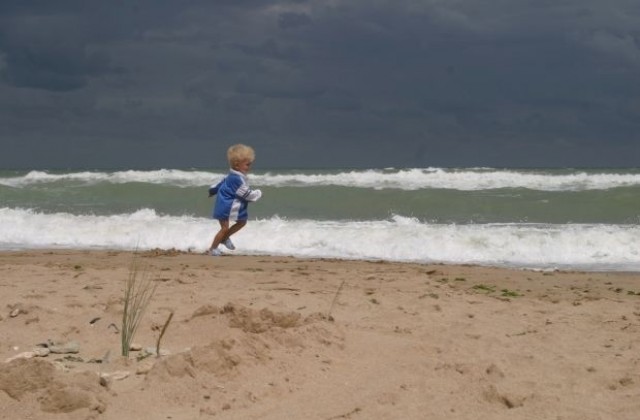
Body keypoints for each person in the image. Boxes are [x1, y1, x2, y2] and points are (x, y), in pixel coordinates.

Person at [207, 144, 262, 256]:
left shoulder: (232, 176)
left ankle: (225, 238)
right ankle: (213, 248)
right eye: (247, 164)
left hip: (224, 205)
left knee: (241, 222)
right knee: (224, 228)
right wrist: (258, 193)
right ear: (237, 165)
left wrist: (213, 190)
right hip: (226, 207)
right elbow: (246, 194)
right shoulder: (237, 179)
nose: (249, 167)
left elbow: (220, 183)